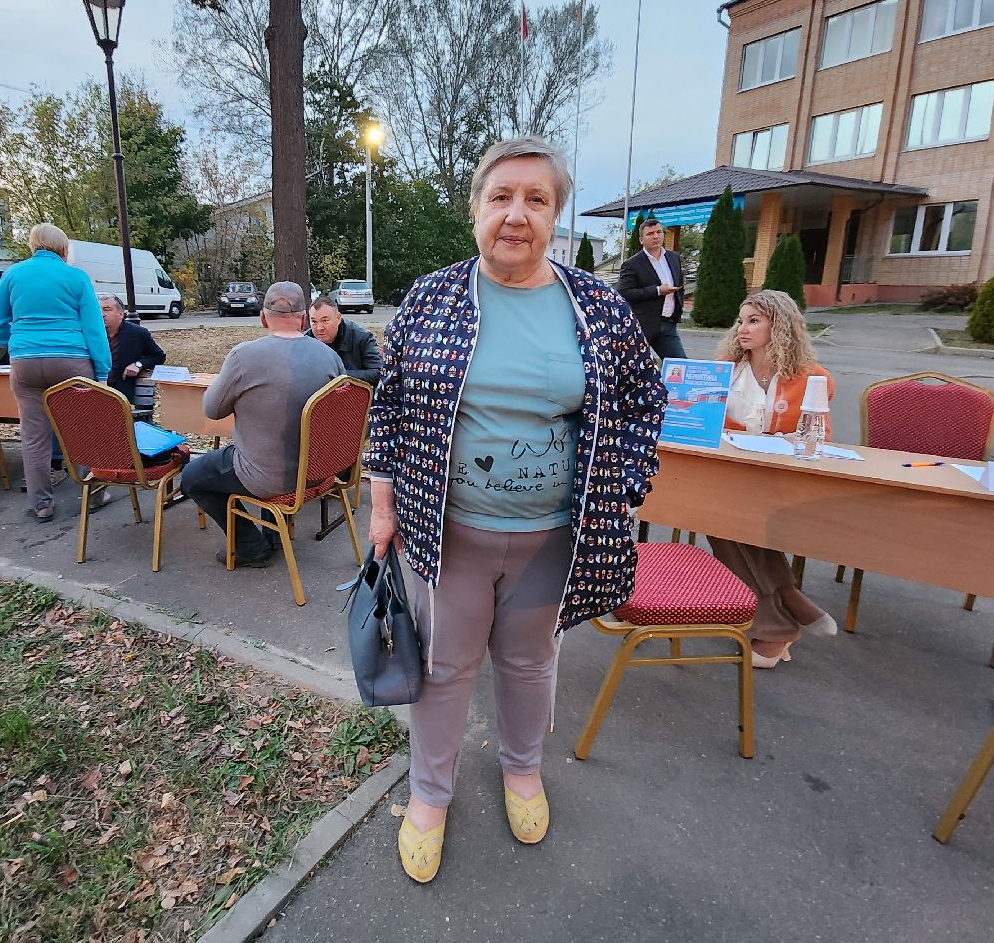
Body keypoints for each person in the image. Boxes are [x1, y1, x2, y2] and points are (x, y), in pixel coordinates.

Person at [365, 137, 666, 883]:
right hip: (448, 532)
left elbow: (641, 402)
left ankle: (522, 770)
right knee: (444, 666)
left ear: (555, 216)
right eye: (501, 197)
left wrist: (620, 488)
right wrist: (381, 503)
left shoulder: (595, 305)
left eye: (536, 199)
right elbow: (390, 406)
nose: (516, 215)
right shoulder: (433, 297)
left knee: (530, 663)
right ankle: (430, 794)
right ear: (476, 210)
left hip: (553, 536)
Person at [707, 289, 838, 668]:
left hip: (783, 480)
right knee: (716, 514)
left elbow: (818, 437)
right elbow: (700, 422)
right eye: (741, 320)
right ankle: (785, 606)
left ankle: (777, 619)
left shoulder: (812, 378)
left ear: (778, 327)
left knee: (729, 517)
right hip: (732, 475)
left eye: (754, 321)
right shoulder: (725, 371)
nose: (742, 329)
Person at [180, 282, 344, 568]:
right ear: (303, 318)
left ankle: (250, 546)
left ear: (263, 317)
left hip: (265, 477)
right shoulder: (329, 357)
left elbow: (212, 409)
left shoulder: (244, 356)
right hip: (318, 473)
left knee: (193, 476)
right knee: (275, 450)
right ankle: (274, 535)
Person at [0, 223, 110, 522]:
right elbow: (94, 328)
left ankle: (41, 503)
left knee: (33, 435)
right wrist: (102, 370)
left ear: (33, 246)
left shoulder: (14, 274)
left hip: (26, 361)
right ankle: (94, 494)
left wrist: (15, 343)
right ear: (64, 250)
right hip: (71, 360)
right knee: (83, 429)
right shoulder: (76, 277)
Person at [616, 216, 687, 360]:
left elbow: (680, 286)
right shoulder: (632, 264)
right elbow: (624, 292)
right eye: (650, 234)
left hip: (668, 324)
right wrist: (657, 291)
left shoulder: (674, 258)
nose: (656, 236)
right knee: (635, 367)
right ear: (641, 239)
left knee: (680, 366)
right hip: (642, 325)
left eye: (659, 232)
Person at [100, 293, 165, 401]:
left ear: (120, 314)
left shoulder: (137, 333)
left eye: (107, 309)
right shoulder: (90, 334)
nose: (101, 314)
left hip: (120, 395)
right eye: (99, 310)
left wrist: (138, 364)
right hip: (93, 392)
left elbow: (158, 356)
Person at [307, 295, 383, 386]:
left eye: (325, 320)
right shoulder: (305, 340)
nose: (319, 328)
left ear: (338, 318)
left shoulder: (362, 337)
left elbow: (378, 373)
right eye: (314, 322)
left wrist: (339, 377)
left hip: (354, 396)